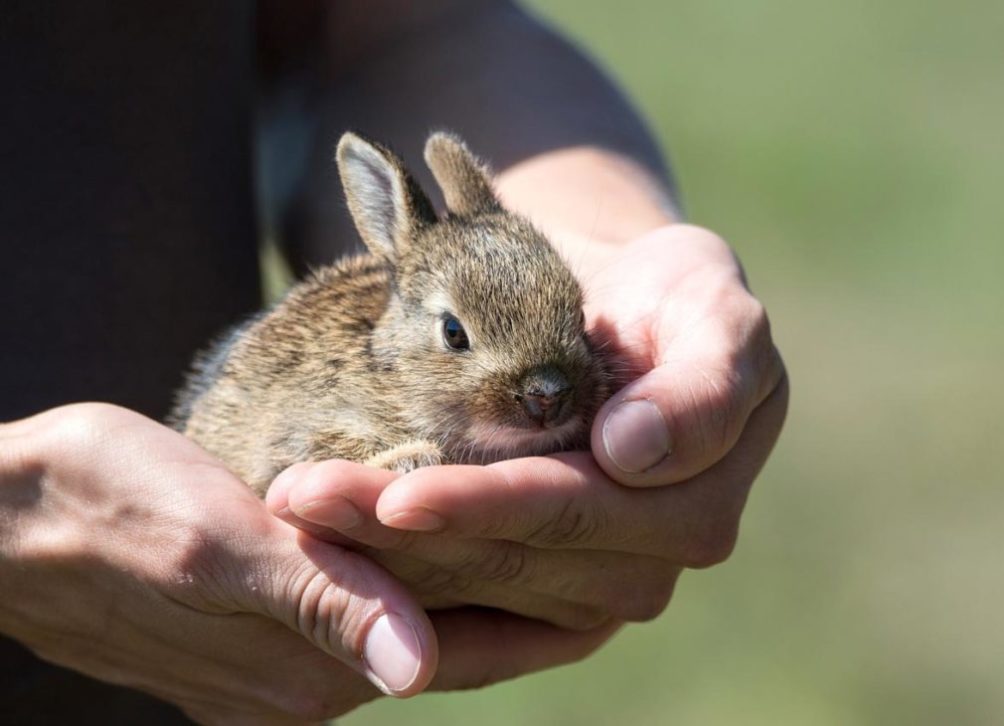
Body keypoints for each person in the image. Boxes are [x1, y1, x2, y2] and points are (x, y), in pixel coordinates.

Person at [0, 1, 788, 723]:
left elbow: (401, 26)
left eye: (570, 326)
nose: (547, 392)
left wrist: (619, 244)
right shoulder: (354, 402)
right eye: (458, 340)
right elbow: (286, 451)